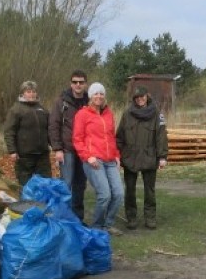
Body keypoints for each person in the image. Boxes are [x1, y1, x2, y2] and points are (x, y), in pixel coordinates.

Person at [72, 82, 124, 235]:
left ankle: (107, 225)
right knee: (104, 195)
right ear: (90, 96)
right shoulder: (82, 114)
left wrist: (116, 155)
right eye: (96, 93)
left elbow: (111, 137)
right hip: (94, 160)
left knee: (119, 194)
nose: (99, 96)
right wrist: (88, 157)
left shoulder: (109, 114)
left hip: (110, 160)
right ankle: (96, 227)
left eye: (101, 93)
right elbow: (77, 139)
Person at [115, 85, 169, 230]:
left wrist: (162, 156)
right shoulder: (127, 114)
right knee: (130, 190)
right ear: (134, 98)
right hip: (130, 158)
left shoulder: (157, 114)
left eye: (142, 96)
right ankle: (131, 218)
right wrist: (119, 154)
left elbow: (161, 136)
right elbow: (119, 136)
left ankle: (150, 218)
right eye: (137, 97)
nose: (140, 99)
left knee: (149, 191)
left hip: (149, 157)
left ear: (147, 96)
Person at [48, 70, 89, 221]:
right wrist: (57, 148)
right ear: (70, 83)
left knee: (80, 185)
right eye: (75, 82)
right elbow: (54, 125)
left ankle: (78, 218)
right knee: (66, 184)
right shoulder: (61, 102)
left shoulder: (89, 101)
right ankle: (62, 217)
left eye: (81, 82)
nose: (78, 85)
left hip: (84, 151)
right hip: (67, 149)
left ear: (85, 84)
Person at [3, 80, 51, 186]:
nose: (32, 94)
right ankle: (27, 202)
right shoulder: (16, 110)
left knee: (46, 185)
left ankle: (44, 203)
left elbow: (49, 129)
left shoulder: (43, 109)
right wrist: (12, 151)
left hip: (42, 155)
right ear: (23, 93)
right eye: (28, 91)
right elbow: (9, 131)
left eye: (34, 91)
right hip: (24, 156)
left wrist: (56, 147)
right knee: (26, 187)